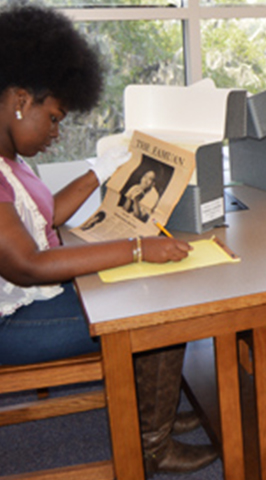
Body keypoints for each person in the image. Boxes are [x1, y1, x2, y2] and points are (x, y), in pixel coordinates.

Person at [0, 4, 217, 476]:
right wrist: (138, 248)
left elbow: (46, 214)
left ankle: (149, 416)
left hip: (27, 300)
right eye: (53, 118)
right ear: (20, 98)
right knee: (149, 306)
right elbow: (26, 265)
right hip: (10, 324)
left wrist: (102, 170)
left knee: (141, 288)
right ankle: (152, 444)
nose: (57, 133)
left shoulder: (8, 158)